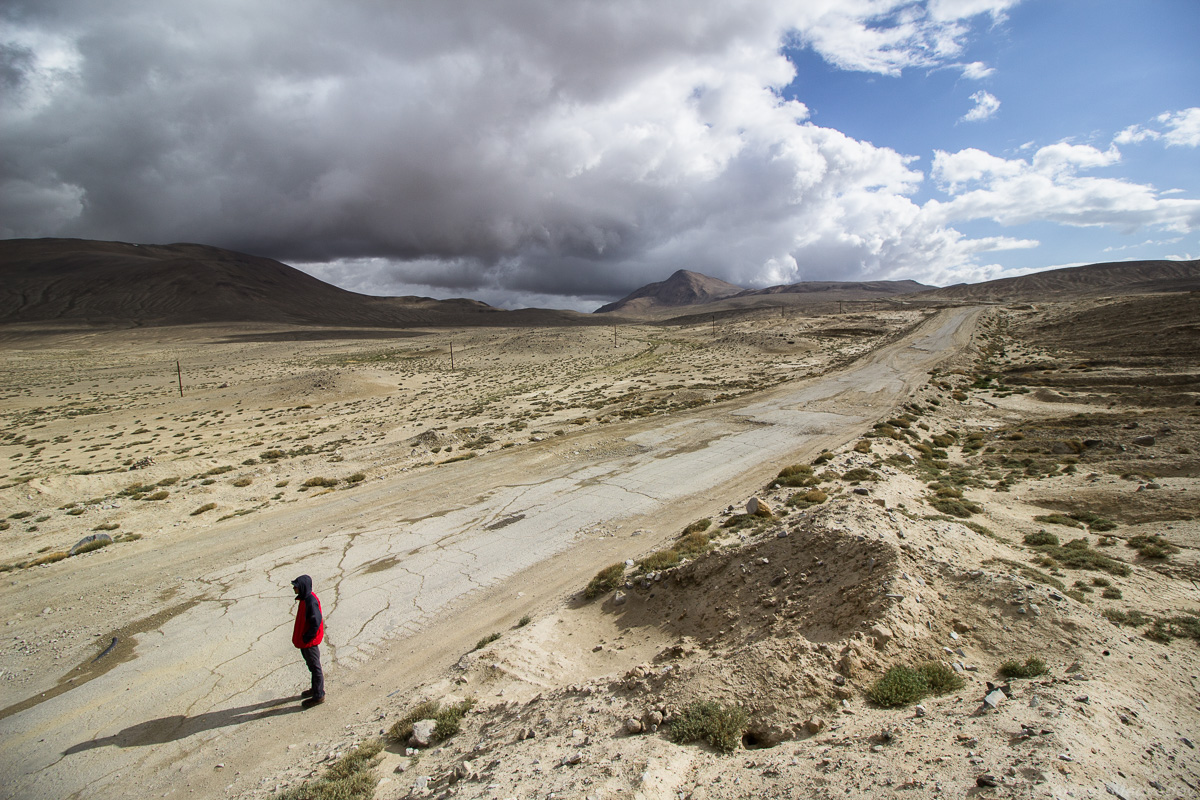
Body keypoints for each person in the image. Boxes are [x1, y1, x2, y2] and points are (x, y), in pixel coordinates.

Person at [291, 574, 325, 708]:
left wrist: (307, 638)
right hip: (305, 642)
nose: (294, 589)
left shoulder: (310, 601)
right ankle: (315, 689)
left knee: (315, 667)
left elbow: (316, 622)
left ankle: (318, 695)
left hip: (309, 643)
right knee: (312, 666)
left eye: (296, 587)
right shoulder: (305, 599)